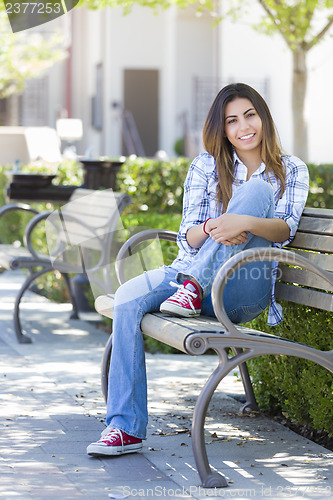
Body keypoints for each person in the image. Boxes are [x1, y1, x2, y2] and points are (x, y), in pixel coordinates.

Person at [87, 83, 309, 457]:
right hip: (184, 276)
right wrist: (212, 229)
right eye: (232, 120)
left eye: (250, 115)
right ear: (222, 129)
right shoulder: (206, 165)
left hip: (241, 288)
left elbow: (286, 230)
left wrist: (244, 222)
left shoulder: (290, 169)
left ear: (264, 117)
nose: (244, 127)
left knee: (256, 193)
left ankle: (194, 287)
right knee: (126, 298)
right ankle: (125, 428)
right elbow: (187, 238)